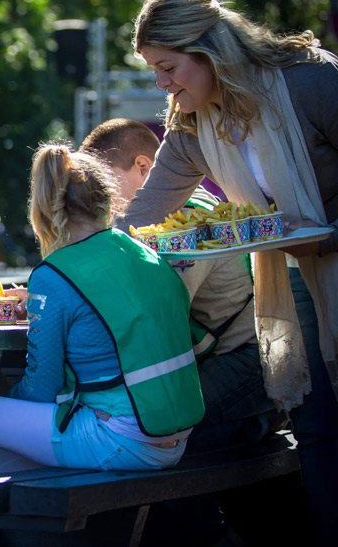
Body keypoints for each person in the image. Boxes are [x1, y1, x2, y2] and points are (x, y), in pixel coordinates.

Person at [123, 0, 338, 546]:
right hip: (300, 275)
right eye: (155, 71)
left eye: (168, 67)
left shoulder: (311, 81)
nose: (162, 84)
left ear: (209, 51)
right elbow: (140, 215)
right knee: (314, 427)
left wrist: (337, 239)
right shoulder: (190, 122)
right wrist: (72, 259)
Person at [0, 143, 204, 474]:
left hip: (119, 435)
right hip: (175, 439)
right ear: (108, 202)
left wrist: (3, 396)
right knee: (5, 465)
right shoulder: (145, 252)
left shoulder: (55, 273)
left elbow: (41, 388)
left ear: (45, 209)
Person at [82, 118, 277, 448]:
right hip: (216, 359)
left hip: (247, 363)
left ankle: (252, 427)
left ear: (144, 167)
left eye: (107, 188)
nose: (105, 203)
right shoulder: (157, 219)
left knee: (156, 427)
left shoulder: (184, 218)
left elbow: (151, 314)